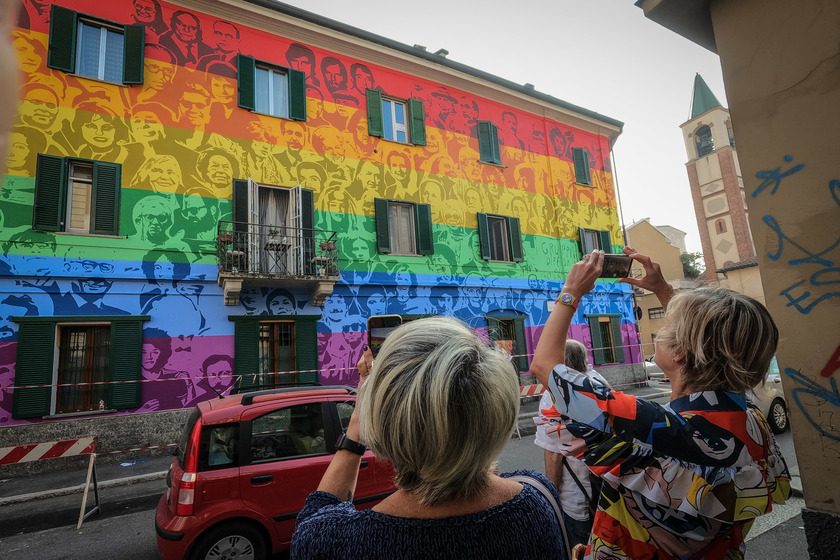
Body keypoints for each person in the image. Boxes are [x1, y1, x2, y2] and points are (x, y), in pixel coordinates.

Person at [530, 248, 791, 560]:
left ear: (681, 353)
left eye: (670, 325)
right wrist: (664, 291)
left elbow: (545, 367)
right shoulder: (751, 421)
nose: (665, 325)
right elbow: (711, 350)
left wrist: (571, 293)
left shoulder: (649, 426)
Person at [291, 317, 568, 560]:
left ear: (380, 421)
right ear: (500, 414)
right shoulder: (538, 501)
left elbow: (318, 512)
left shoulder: (336, 544)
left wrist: (355, 429)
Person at [534, 339, 608, 550]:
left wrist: (551, 495)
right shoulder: (597, 381)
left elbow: (553, 454)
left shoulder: (553, 396)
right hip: (607, 488)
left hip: (575, 496)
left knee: (578, 549)